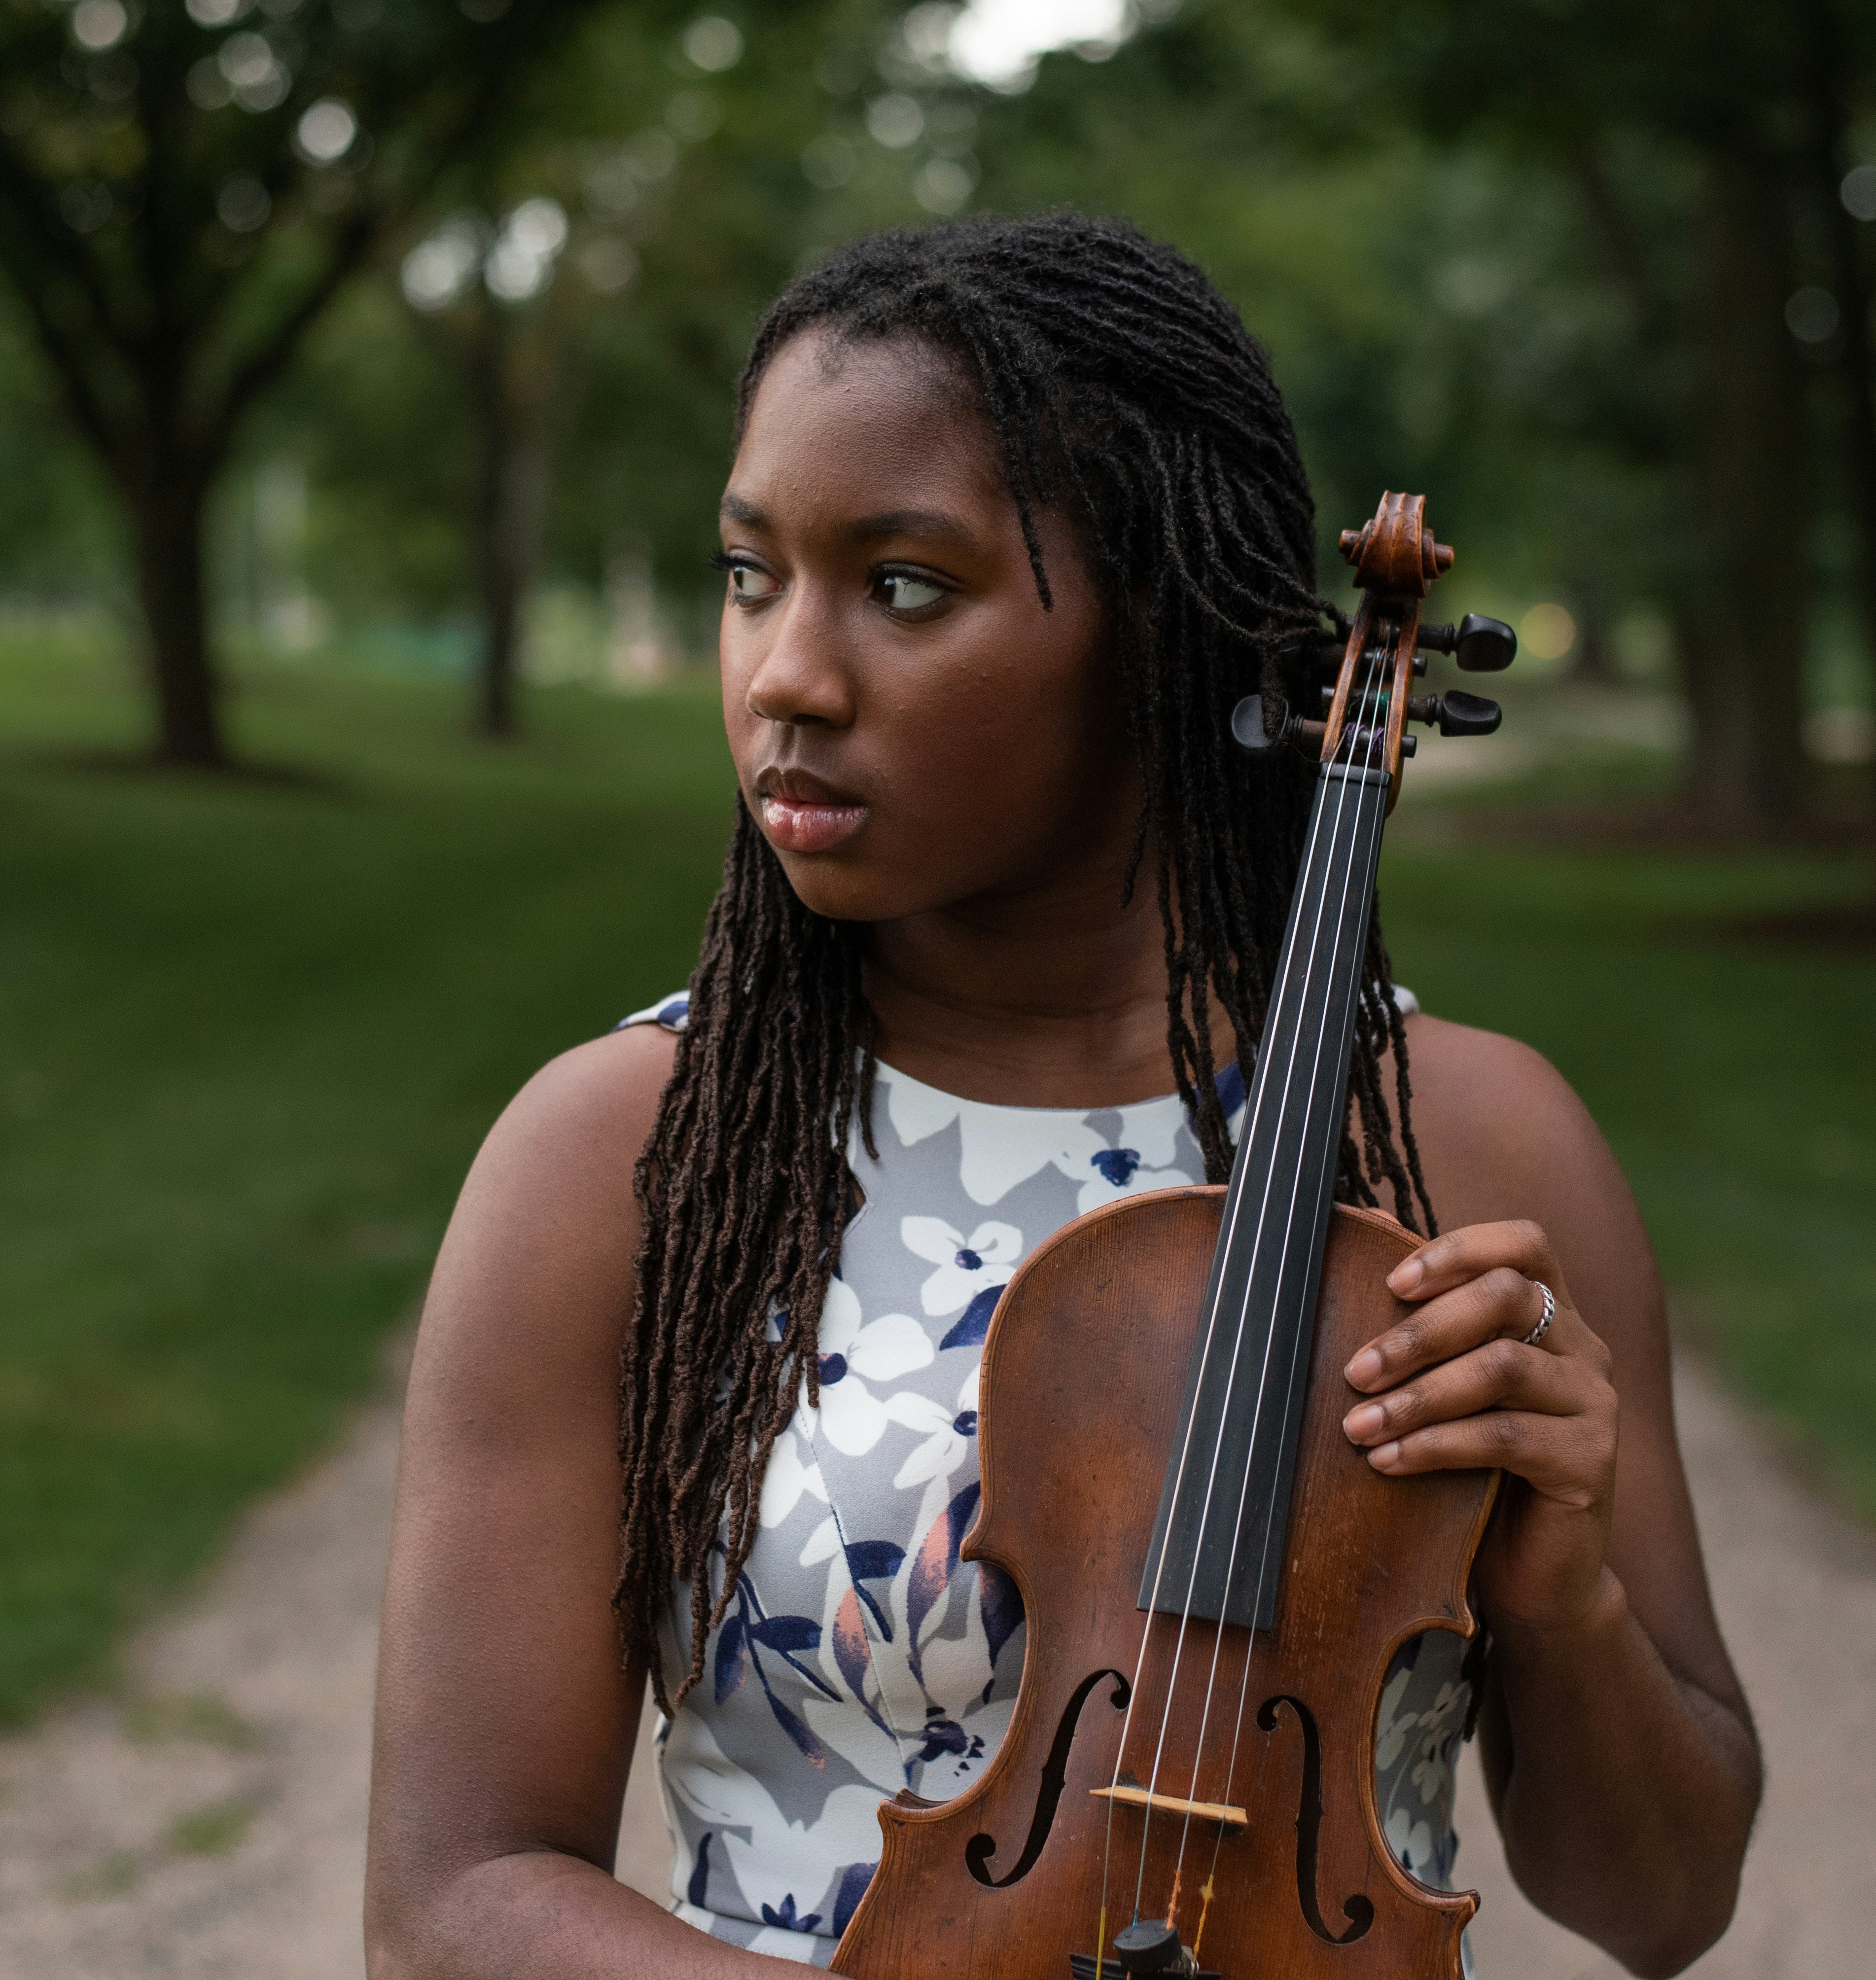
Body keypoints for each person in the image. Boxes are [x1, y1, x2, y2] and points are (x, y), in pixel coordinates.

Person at [365, 212, 1759, 1980]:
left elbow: (1668, 1901)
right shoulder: (613, 1161)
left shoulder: (1462, 1145)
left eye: (903, 586)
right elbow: (454, 1900)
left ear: (1158, 636)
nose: (786, 673)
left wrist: (1561, 1588)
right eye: (750, 574)